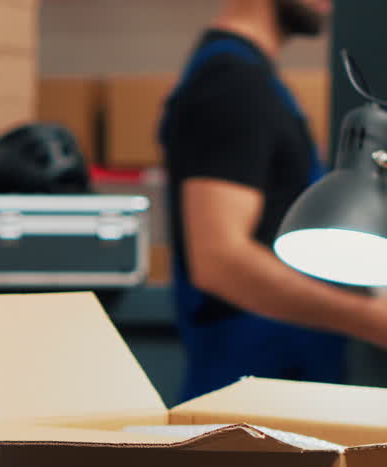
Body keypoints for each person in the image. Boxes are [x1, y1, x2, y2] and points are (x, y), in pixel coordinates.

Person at [160, 0, 387, 401]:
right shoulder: (231, 84)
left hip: (289, 385)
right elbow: (219, 261)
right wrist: (370, 318)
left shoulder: (255, 80)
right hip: (245, 398)